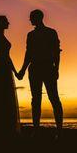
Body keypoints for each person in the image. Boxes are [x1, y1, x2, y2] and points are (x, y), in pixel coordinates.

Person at [16, 9, 63, 138]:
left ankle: (59, 131)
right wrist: (23, 70)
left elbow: (56, 51)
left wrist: (56, 68)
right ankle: (37, 130)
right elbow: (28, 54)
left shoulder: (51, 32)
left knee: (53, 98)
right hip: (36, 68)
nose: (29, 20)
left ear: (38, 18)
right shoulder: (30, 35)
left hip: (47, 67)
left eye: (31, 17)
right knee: (36, 100)